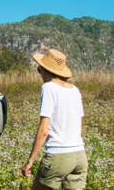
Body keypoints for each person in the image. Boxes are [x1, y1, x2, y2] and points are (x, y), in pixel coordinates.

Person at [22, 49, 88, 190]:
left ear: (45, 70)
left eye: (39, 70)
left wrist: (30, 160)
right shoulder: (75, 90)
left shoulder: (49, 88)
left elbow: (44, 129)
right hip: (79, 156)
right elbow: (79, 125)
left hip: (59, 155)